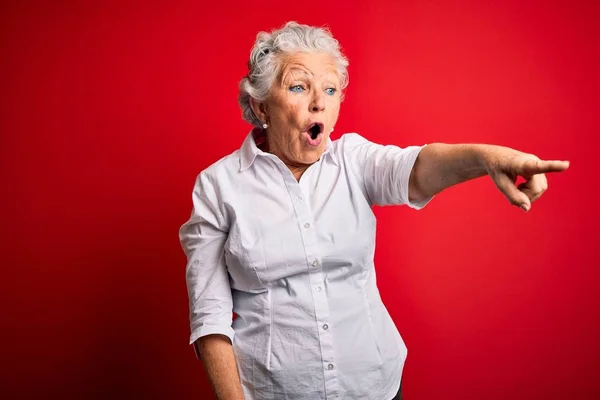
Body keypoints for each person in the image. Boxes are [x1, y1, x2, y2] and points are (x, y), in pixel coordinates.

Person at [178, 21, 569, 400]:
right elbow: (210, 318)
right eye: (299, 87)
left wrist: (488, 159)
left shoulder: (353, 160)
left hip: (376, 386)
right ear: (261, 106)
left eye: (330, 90)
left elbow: (417, 168)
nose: (319, 102)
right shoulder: (218, 186)